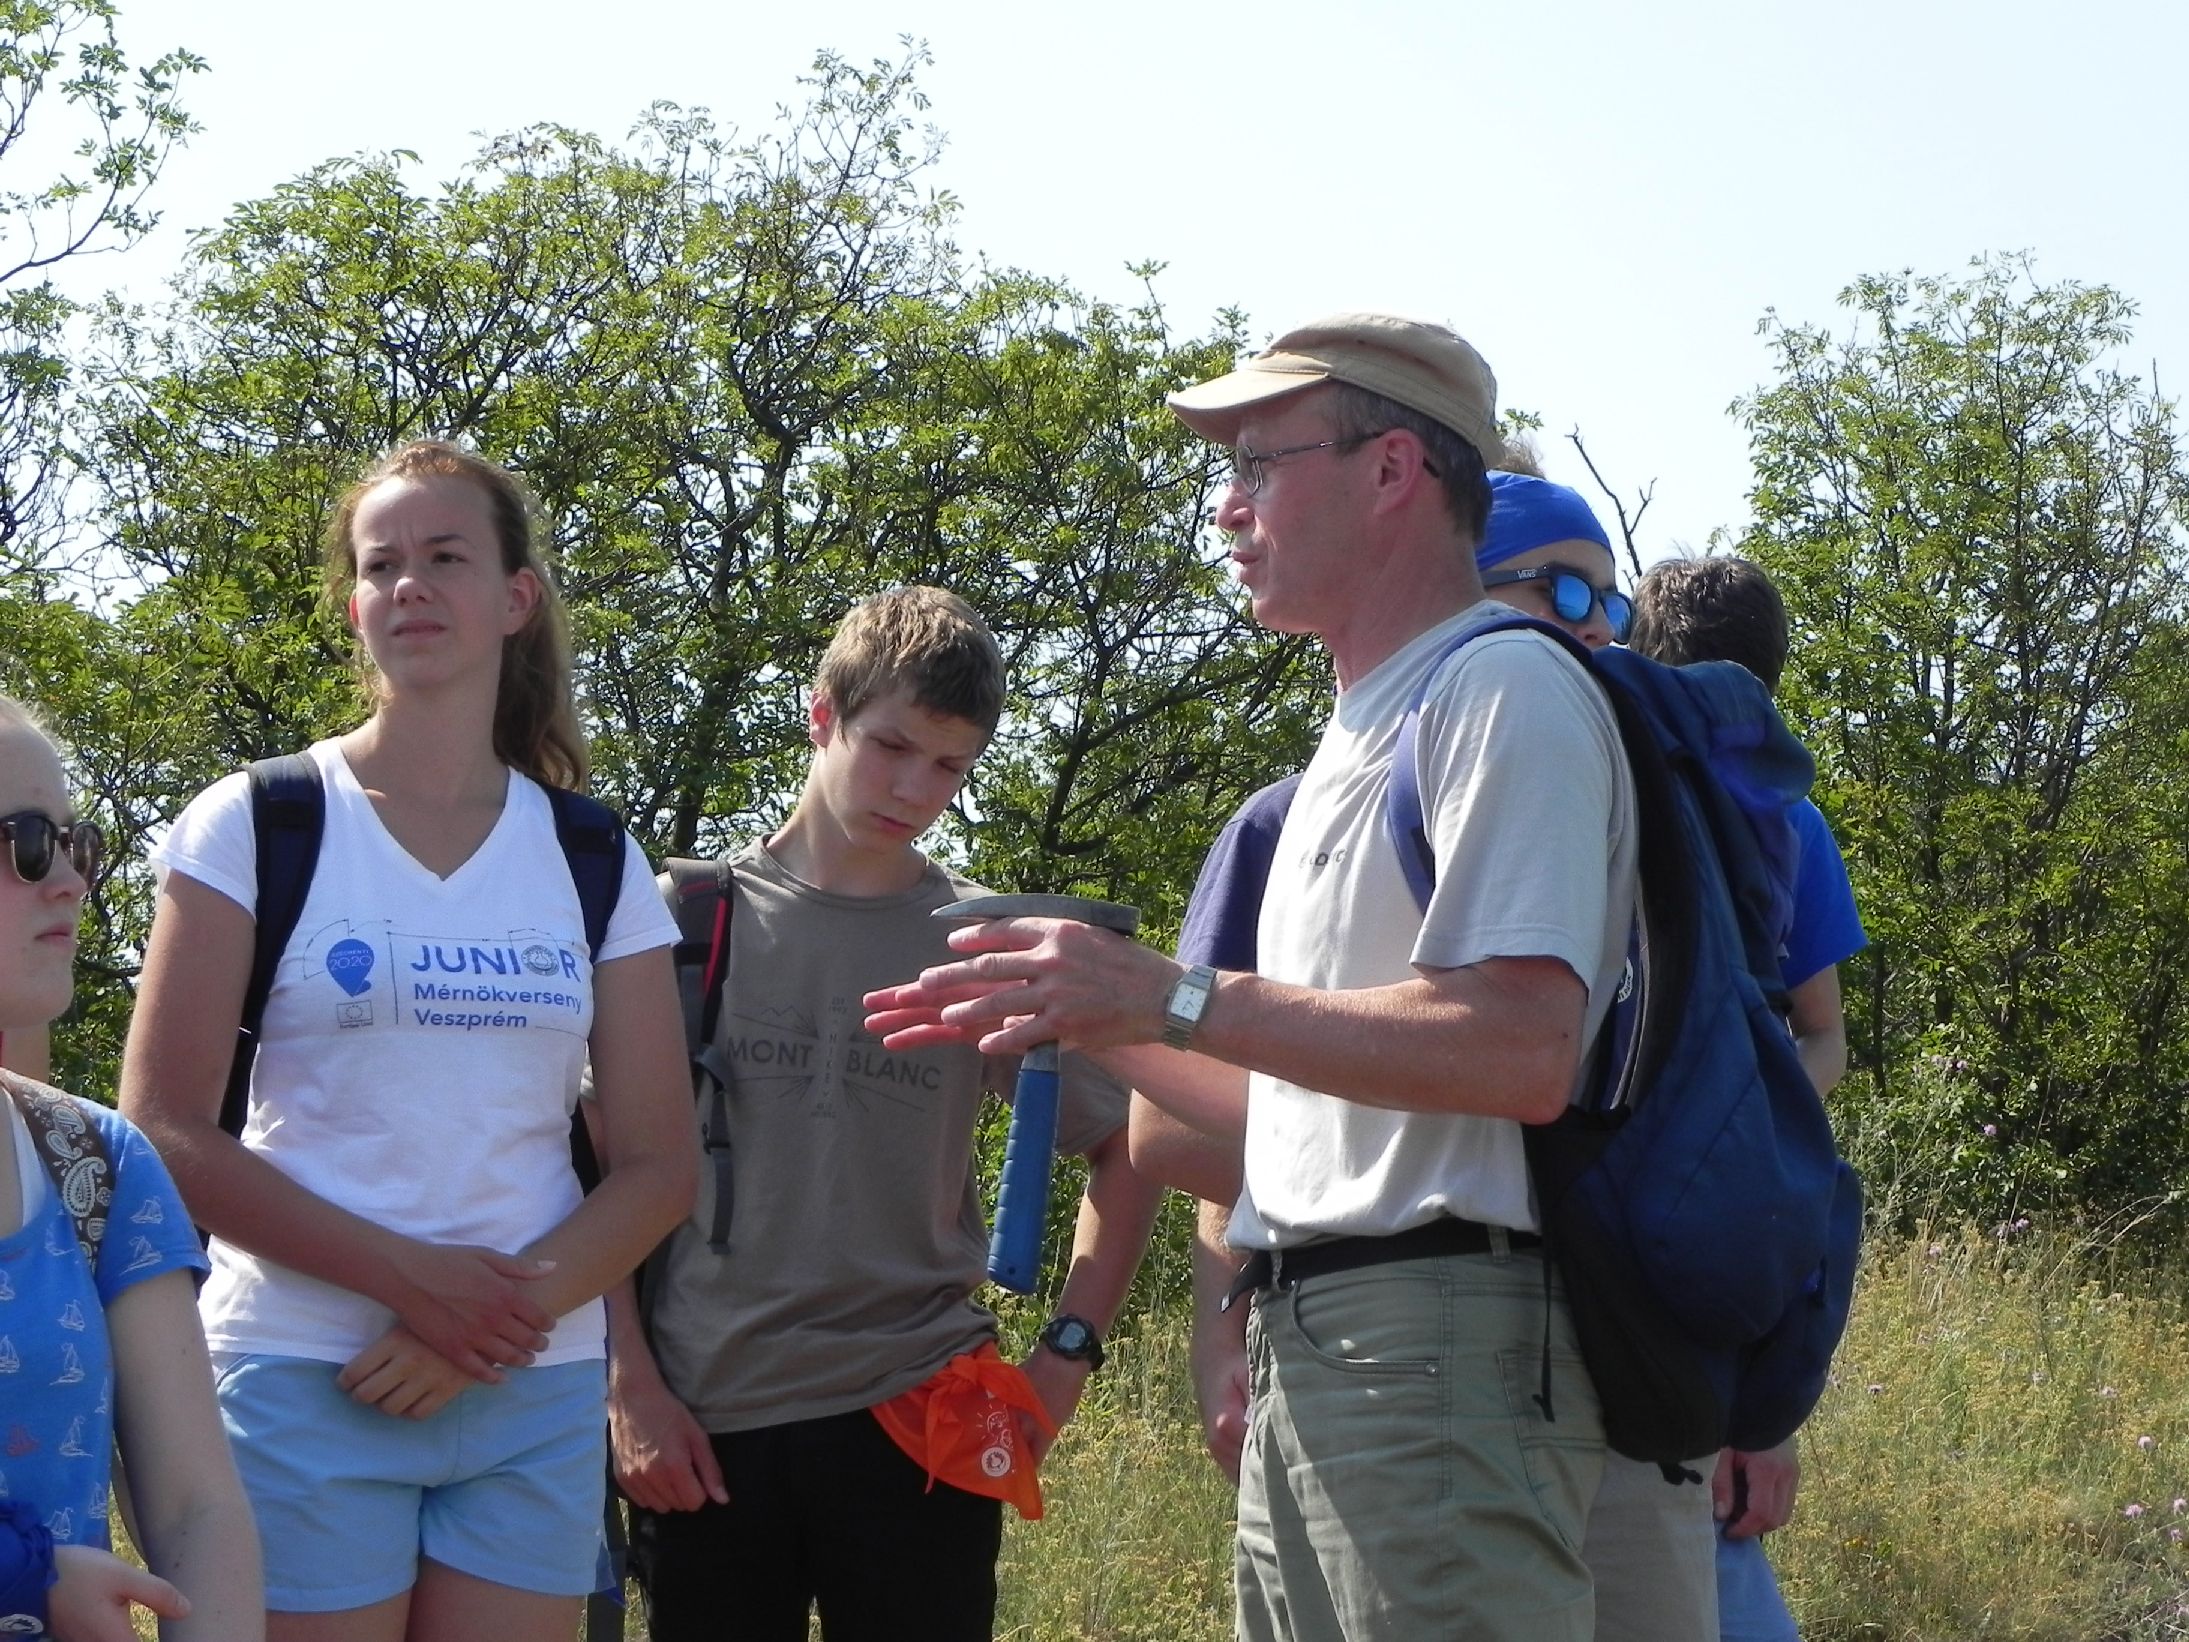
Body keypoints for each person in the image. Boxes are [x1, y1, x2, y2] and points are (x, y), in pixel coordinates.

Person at [866, 315, 1652, 1640]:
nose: (1226, 509)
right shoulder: (1357, 730)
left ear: (1391, 470)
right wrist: (1083, 1012)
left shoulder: (1499, 687)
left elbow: (1521, 1048)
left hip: (1431, 1344)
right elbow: (1307, 1118)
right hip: (1321, 1341)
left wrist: (1169, 997)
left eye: (1258, 466)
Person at [1132, 470, 1723, 1642]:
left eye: (1608, 599)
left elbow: (1530, 1056)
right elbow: (1245, 1125)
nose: (1595, 625)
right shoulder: (1302, 799)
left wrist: (1164, 1001)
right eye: (1561, 587)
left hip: (1549, 1342)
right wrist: (1108, 1020)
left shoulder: (1528, 704)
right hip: (1385, 1340)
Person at [118, 441, 695, 1642]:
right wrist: (410, 1284)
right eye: (382, 565)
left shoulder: (593, 854)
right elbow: (163, 1130)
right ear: (354, 607)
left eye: (445, 557)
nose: (410, 586)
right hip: (303, 1365)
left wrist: (481, 1329)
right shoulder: (257, 821)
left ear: (515, 597)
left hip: (531, 1385)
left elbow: (657, 1166)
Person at [605, 586, 1162, 1641]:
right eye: (891, 746)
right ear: (822, 715)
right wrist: (627, 1386)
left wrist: (1063, 1358)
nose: (914, 789)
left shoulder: (985, 943)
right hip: (705, 1422)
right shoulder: (682, 922)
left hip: (922, 1416)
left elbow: (1131, 1145)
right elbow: (598, 1167)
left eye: (949, 766)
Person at [1628, 554, 1866, 1642]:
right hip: (1705, 1225)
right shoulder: (1779, 812)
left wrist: (1735, 1114)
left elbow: (1818, 1038)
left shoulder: (1780, 825)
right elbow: (1825, 1040)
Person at [0, 694, 264, 1641]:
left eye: (78, 843)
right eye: (29, 844)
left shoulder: (96, 1160)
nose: (71, 880)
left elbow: (199, 1510)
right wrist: (23, 1577)